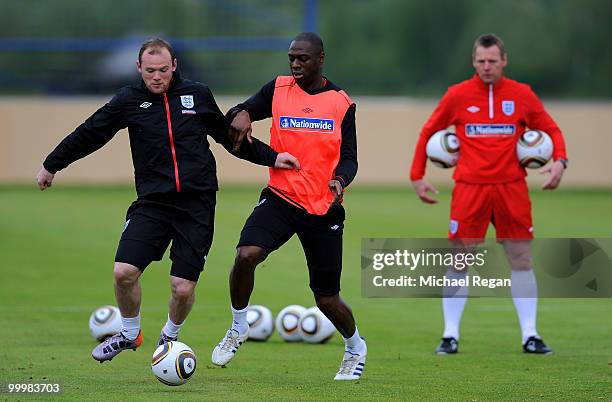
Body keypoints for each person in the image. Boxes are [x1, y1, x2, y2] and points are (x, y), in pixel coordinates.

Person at [36, 38, 299, 363]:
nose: (156, 76)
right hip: (153, 203)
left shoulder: (197, 95)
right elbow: (90, 133)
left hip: (197, 203)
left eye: (162, 70)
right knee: (123, 272)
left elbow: (229, 139)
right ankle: (130, 334)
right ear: (139, 69)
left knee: (182, 288)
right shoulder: (128, 101)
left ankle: (168, 338)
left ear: (174, 66)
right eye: (150, 71)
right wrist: (52, 164)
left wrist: (273, 158)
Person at [209, 32, 367, 380]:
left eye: (303, 58)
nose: (295, 64)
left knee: (326, 300)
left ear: (321, 59)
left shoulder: (341, 102)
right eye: (292, 57)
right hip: (281, 197)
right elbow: (243, 108)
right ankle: (238, 326)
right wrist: (241, 113)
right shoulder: (278, 89)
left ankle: (355, 347)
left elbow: (351, 159)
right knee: (246, 255)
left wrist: (340, 181)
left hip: (323, 208)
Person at [410, 33, 568, 355]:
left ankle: (530, 336)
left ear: (504, 61)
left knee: (521, 259)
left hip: (512, 188)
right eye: (481, 61)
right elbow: (429, 131)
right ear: (474, 62)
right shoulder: (458, 95)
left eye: (492, 61)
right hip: (470, 189)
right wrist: (417, 175)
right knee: (460, 260)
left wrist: (560, 162)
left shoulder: (522, 95)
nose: (486, 67)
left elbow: (551, 129)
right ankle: (449, 335)